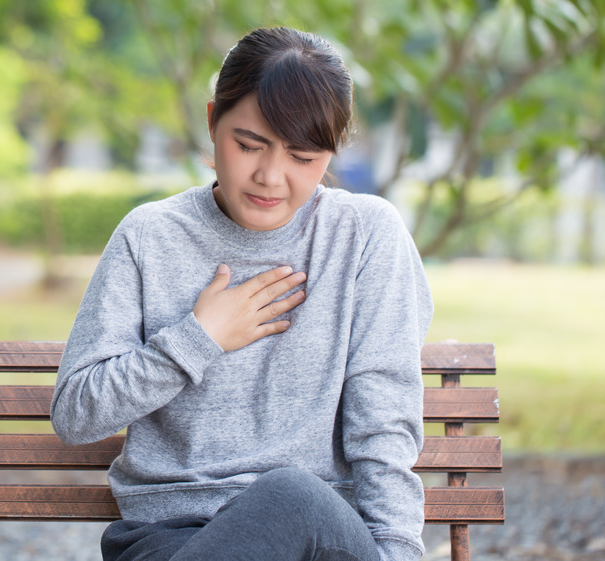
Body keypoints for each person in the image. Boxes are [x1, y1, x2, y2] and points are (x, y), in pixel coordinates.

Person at [50, 26, 432, 561]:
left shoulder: (365, 236)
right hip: (170, 539)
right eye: (249, 144)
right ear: (211, 122)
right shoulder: (151, 236)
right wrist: (196, 339)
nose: (271, 176)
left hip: (319, 541)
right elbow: (74, 414)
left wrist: (395, 552)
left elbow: (383, 426)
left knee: (293, 496)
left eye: (303, 157)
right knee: (287, 496)